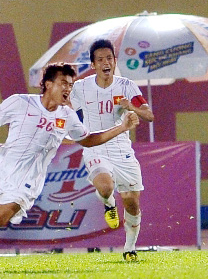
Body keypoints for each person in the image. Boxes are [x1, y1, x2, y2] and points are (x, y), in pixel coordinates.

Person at [0, 63, 139, 266]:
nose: (68, 88)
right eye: (63, 83)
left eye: (71, 84)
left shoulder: (68, 117)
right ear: (48, 84)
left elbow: (88, 140)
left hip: (26, 183)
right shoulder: (19, 102)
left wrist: (121, 127)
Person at [70, 39, 154, 262]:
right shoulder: (81, 87)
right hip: (95, 145)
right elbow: (66, 110)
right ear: (93, 64)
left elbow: (149, 115)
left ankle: (129, 247)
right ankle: (108, 204)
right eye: (100, 59)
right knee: (106, 188)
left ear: (115, 61)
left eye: (110, 58)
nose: (106, 62)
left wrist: (131, 107)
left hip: (121, 149)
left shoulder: (126, 86)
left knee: (132, 202)